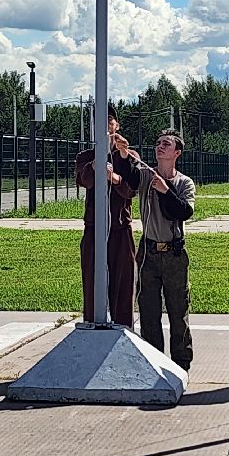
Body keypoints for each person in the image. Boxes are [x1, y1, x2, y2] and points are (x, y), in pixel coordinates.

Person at [120, 129, 197, 371]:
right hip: (149, 252)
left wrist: (165, 190)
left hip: (174, 253)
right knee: (149, 310)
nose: (160, 147)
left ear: (177, 152)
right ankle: (153, 360)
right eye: (157, 143)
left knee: (178, 310)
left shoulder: (184, 182)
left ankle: (181, 364)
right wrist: (123, 154)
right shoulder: (145, 176)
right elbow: (130, 178)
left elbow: (184, 211)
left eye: (166, 144)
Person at [74, 104, 137, 327]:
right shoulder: (85, 156)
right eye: (100, 122)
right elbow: (84, 180)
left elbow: (132, 189)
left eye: (110, 121)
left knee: (123, 284)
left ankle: (123, 329)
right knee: (93, 284)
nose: (106, 126)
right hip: (94, 229)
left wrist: (117, 174)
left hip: (120, 230)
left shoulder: (129, 156)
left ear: (117, 125)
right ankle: (93, 326)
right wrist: (96, 163)